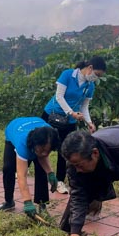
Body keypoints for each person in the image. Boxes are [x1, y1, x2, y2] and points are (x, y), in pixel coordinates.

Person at [42, 56, 107, 194]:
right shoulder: (67, 75)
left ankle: (59, 181)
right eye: (97, 74)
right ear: (90, 68)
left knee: (64, 151)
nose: (97, 77)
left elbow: (84, 107)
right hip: (51, 115)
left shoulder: (90, 86)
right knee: (42, 144)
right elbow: (59, 96)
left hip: (69, 122)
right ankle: (23, 167)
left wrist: (89, 122)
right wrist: (71, 112)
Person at [0, 117, 61, 218]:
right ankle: (9, 201)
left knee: (41, 170)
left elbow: (43, 156)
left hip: (35, 123)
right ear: (34, 144)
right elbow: (22, 175)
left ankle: (42, 205)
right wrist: (27, 201)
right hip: (14, 129)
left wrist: (50, 173)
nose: (45, 154)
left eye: (48, 151)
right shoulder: (22, 143)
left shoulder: (50, 135)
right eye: (42, 149)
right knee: (8, 168)